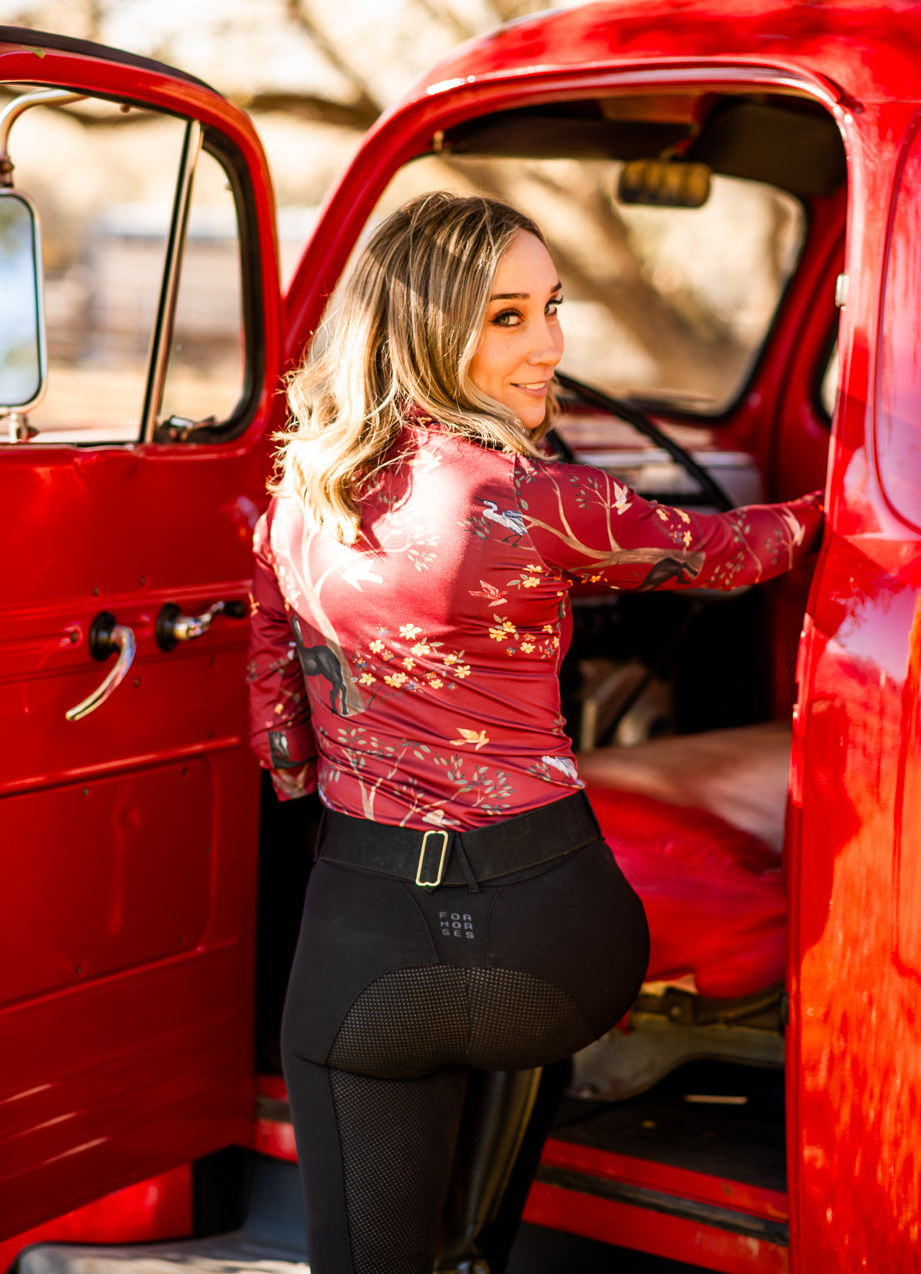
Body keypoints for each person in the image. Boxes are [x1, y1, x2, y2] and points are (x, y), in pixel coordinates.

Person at [247, 190, 824, 1274]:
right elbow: (734, 553)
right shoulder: (539, 496)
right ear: (423, 328)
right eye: (507, 317)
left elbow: (280, 739)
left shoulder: (293, 504)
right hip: (562, 952)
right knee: (496, 1016)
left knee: (368, 1154)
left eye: (551, 307)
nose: (550, 345)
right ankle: (475, 1247)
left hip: (369, 944)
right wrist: (843, 504)